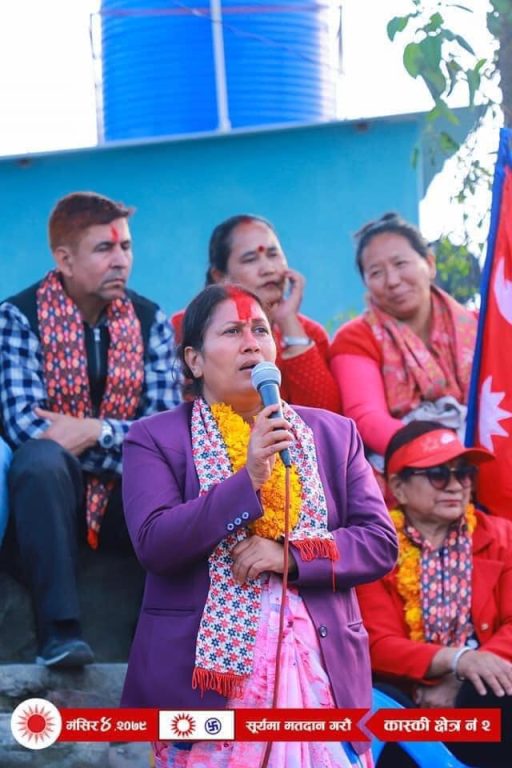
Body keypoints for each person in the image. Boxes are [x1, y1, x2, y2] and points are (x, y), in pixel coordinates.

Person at [122, 284, 397, 768]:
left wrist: (290, 556)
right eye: (232, 331)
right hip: (205, 692)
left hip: (321, 673)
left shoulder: (333, 434)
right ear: (194, 360)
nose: (251, 343)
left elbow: (378, 542)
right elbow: (155, 543)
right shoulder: (155, 438)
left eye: (261, 331)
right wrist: (247, 480)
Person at [0, 191, 181, 667]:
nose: (121, 260)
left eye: (126, 247)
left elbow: (164, 434)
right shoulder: (18, 317)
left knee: (176, 475)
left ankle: (175, 644)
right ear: (64, 260)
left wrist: (95, 431)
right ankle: (59, 636)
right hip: (50, 500)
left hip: (123, 497)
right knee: (41, 462)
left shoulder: (150, 321)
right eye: (105, 248)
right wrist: (122, 440)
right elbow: (26, 427)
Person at [356, 421, 512, 768]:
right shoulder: (374, 547)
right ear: (399, 486)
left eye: (464, 473)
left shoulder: (502, 537)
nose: (455, 486)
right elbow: (378, 645)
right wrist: (455, 660)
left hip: (479, 694)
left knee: (501, 690)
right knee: (381, 706)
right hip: (407, 696)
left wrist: (465, 674)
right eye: (439, 475)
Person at [330, 212, 477, 477]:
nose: (393, 281)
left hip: (486, 454)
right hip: (407, 470)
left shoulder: (480, 326)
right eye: (376, 272)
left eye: (400, 263)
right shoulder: (355, 337)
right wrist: (440, 454)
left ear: (429, 264)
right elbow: (367, 418)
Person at [171, 214, 341, 411]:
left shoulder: (308, 334)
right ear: (220, 276)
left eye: (273, 254)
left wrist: (288, 323)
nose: (268, 269)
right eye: (250, 259)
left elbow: (326, 419)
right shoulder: (183, 328)